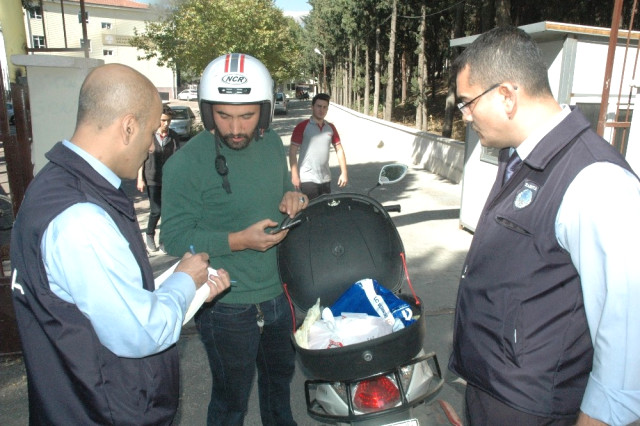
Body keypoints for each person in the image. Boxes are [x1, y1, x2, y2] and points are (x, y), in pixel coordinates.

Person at [10, 63, 231, 425]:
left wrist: (191, 291)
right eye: (148, 131)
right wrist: (185, 280)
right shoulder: (81, 218)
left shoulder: (53, 186)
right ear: (128, 127)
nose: (150, 145)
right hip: (101, 412)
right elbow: (140, 332)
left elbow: (101, 304)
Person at [448, 26, 640, 426]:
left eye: (467, 102)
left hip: (535, 412)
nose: (464, 116)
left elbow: (626, 334)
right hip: (495, 394)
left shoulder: (596, 181)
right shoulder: (519, 159)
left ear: (506, 96)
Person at [161, 53, 307, 426]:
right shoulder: (184, 164)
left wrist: (293, 197)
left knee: (279, 390)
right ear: (208, 113)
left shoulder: (272, 143)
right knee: (231, 402)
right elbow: (174, 237)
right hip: (226, 307)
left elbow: (284, 189)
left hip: (279, 296)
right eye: (224, 116)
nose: (236, 128)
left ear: (266, 111)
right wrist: (238, 241)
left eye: (247, 116)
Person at [137, 105, 181, 253]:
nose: (166, 124)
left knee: (167, 211)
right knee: (156, 210)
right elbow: (141, 158)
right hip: (152, 179)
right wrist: (140, 179)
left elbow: (177, 159)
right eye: (163, 120)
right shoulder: (148, 136)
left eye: (168, 121)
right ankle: (149, 234)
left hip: (168, 179)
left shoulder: (173, 136)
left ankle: (163, 240)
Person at [289, 93, 348, 200]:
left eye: (325, 107)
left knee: (324, 211)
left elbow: (339, 149)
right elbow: (292, 152)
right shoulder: (302, 126)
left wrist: (344, 173)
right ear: (312, 107)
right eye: (319, 106)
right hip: (307, 178)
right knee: (312, 211)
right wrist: (294, 175)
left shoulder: (331, 127)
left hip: (325, 178)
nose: (322, 110)